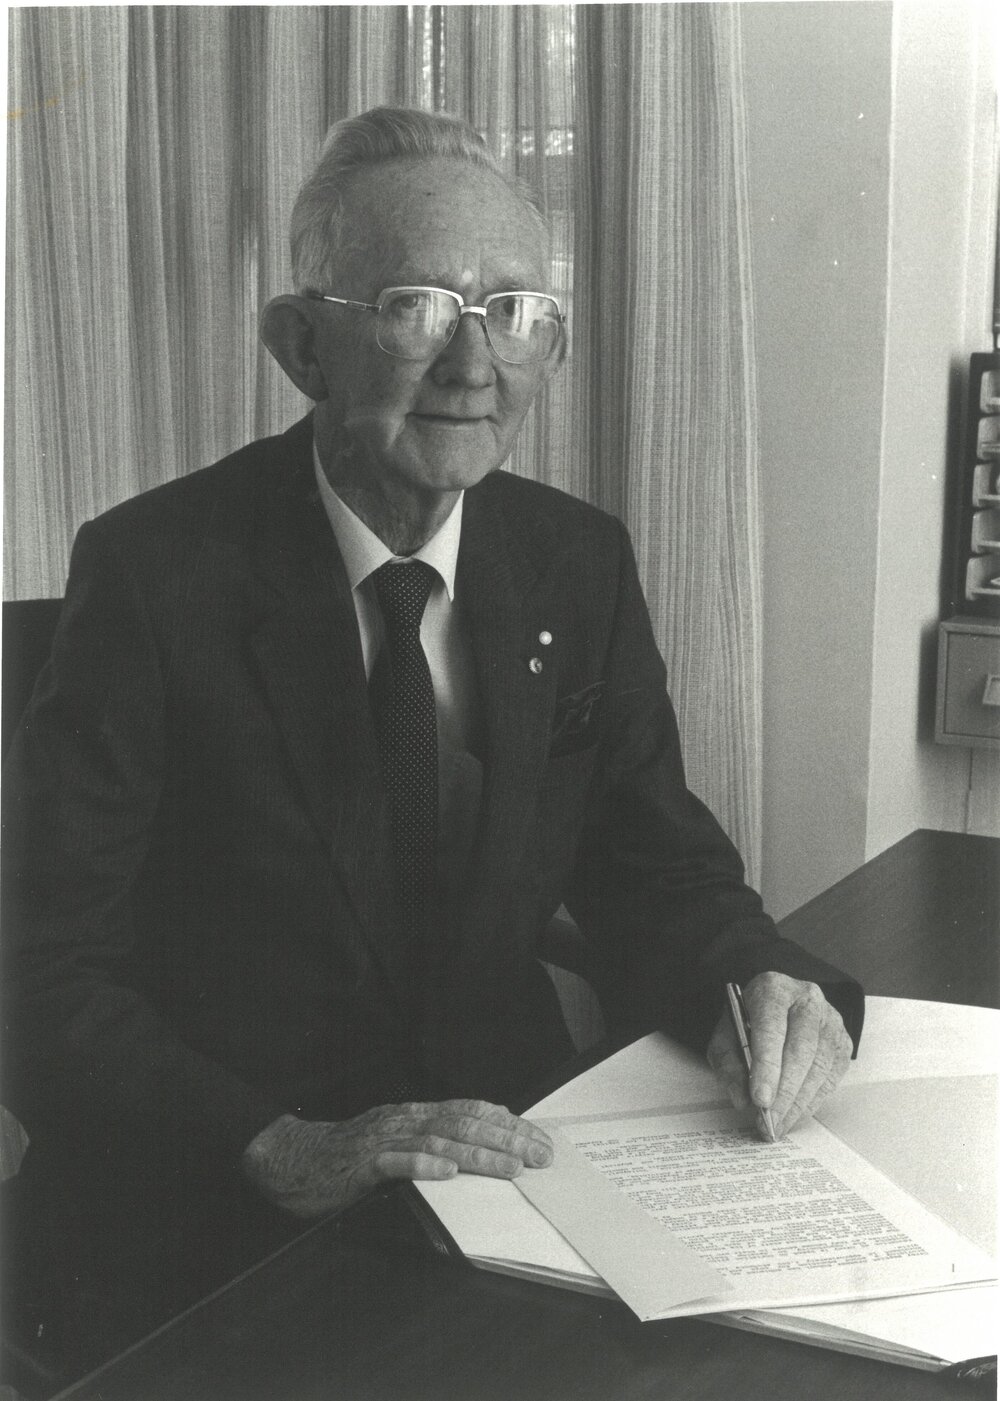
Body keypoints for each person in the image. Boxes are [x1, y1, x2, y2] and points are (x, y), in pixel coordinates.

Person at [2, 107, 862, 1377]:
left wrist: (763, 986)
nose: (477, 363)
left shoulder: (573, 563)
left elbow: (654, 869)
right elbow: (40, 971)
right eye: (417, 307)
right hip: (222, 1205)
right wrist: (276, 1142)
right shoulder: (151, 575)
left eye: (517, 312)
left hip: (510, 1174)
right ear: (301, 345)